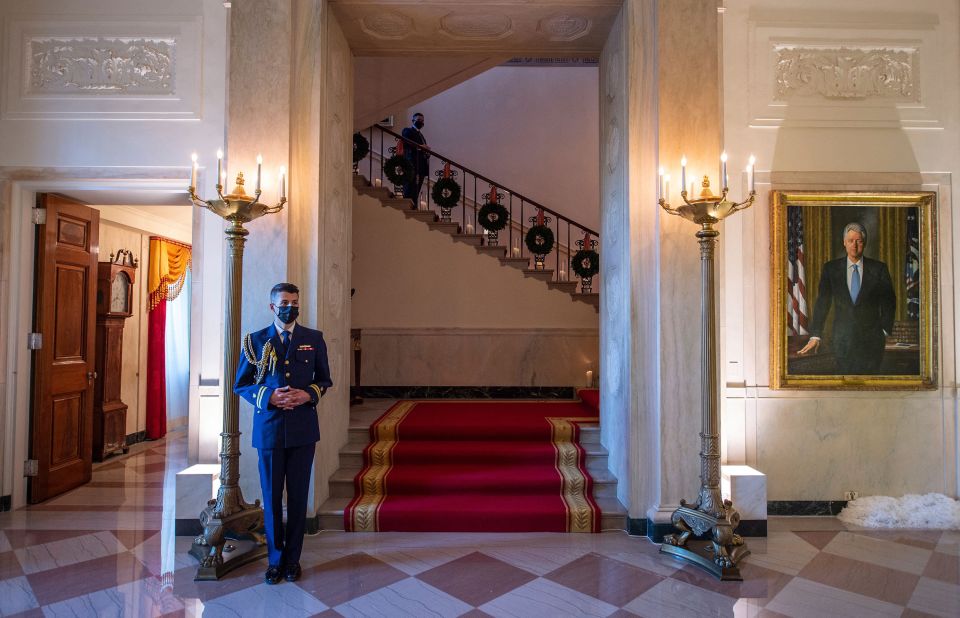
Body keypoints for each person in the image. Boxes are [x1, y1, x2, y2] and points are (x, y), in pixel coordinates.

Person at [234, 282, 332, 584]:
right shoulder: (255, 341)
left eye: (294, 301)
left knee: (299, 495)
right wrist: (269, 397)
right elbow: (241, 384)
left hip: (303, 429)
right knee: (272, 497)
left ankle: (293, 560)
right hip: (270, 430)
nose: (290, 306)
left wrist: (308, 395)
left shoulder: (313, 338)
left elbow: (325, 380)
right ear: (272, 307)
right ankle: (275, 561)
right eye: (284, 302)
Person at [798, 222, 896, 374]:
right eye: (850, 241)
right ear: (844, 242)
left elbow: (889, 302)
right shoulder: (831, 269)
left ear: (864, 243)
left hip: (872, 342)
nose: (854, 245)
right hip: (842, 340)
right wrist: (815, 335)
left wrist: (883, 331)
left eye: (859, 241)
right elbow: (822, 303)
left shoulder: (879, 268)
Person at [401, 112, 430, 203]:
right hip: (412, 163)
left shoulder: (421, 135)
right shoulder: (408, 130)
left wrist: (426, 151)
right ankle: (407, 204)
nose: (421, 122)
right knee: (410, 186)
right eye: (419, 120)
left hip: (421, 165)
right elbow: (406, 142)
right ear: (413, 121)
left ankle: (413, 204)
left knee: (416, 188)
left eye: (422, 121)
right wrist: (421, 147)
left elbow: (422, 147)